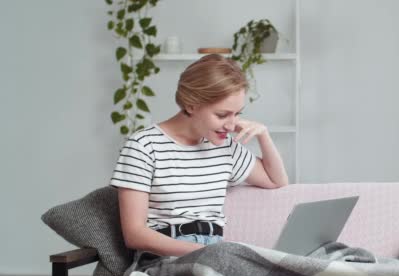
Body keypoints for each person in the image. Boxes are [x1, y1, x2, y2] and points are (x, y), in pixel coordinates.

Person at [110, 54, 289, 257]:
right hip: (165, 259)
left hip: (213, 255)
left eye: (237, 114)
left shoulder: (225, 147)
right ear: (191, 105)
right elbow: (135, 234)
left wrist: (264, 135)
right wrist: (206, 253)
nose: (231, 126)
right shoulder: (143, 146)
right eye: (222, 115)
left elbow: (277, 180)